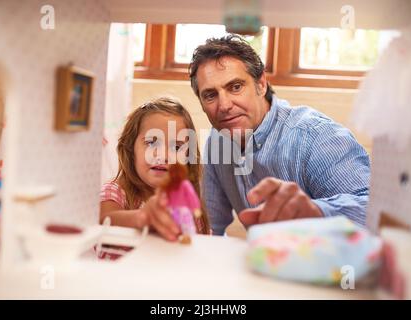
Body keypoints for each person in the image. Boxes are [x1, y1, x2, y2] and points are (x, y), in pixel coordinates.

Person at [188, 34, 370, 235]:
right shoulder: (217, 141)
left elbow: (376, 214)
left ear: (261, 84)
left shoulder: (314, 136)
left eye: (236, 87)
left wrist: (317, 212)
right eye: (210, 95)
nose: (224, 105)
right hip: (267, 262)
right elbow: (209, 226)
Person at [100, 97, 210, 241]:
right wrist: (142, 218)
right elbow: (103, 220)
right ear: (130, 148)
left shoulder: (186, 201)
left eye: (176, 147)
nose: (163, 156)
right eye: (151, 143)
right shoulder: (115, 191)